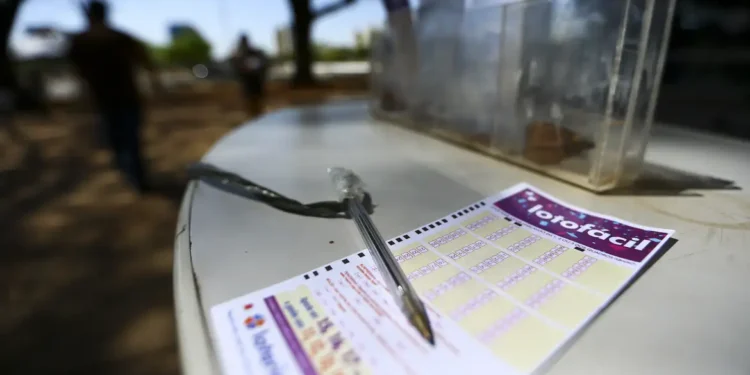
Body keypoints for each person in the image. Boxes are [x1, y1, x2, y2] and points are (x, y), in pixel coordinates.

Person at [67, 1, 160, 193]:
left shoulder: (89, 41)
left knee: (127, 141)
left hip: (117, 100)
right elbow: (146, 62)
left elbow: (77, 75)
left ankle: (136, 177)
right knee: (121, 141)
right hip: (115, 100)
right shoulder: (88, 42)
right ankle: (133, 174)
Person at [231, 34, 268, 117]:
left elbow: (263, 65)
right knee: (250, 102)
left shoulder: (254, 53)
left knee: (257, 102)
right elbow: (237, 69)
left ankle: (257, 117)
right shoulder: (239, 55)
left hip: (255, 81)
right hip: (248, 83)